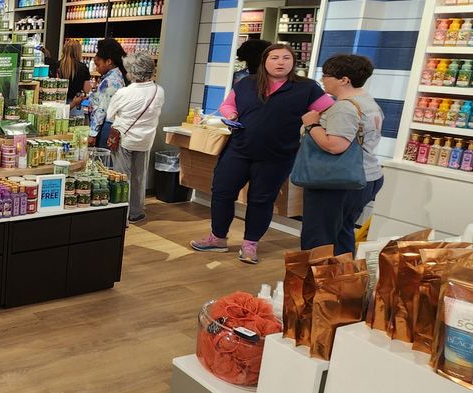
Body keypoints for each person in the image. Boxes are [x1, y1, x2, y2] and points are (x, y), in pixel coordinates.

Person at [191, 43, 334, 264]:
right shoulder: (247, 83)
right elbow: (227, 105)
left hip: (277, 155)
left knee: (261, 200)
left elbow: (328, 110)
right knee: (221, 192)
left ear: (293, 62)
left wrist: (312, 126)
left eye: (286, 58)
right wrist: (232, 115)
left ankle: (250, 245)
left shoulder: (307, 87)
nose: (280, 62)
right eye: (274, 58)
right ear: (265, 61)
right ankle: (217, 238)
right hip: (239, 149)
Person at [299, 55, 383, 256]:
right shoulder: (368, 102)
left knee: (319, 239)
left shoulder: (344, 108)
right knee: (342, 233)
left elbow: (335, 146)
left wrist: (312, 124)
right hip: (366, 176)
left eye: (326, 75)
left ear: (344, 80)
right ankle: (342, 275)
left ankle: (318, 276)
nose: (322, 80)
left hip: (337, 182)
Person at [106, 53, 166, 224]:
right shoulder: (159, 91)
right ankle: (136, 212)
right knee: (139, 176)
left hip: (124, 138)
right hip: (145, 140)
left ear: (132, 71)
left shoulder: (124, 92)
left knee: (121, 177)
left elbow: (110, 115)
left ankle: (121, 214)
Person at [88, 38, 128, 145]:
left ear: (109, 61)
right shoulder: (117, 76)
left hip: (105, 127)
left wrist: (93, 133)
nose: (96, 69)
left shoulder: (110, 81)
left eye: (98, 65)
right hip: (109, 125)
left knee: (102, 154)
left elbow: (102, 109)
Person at [59, 39, 92, 113]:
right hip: (75, 104)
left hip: (58, 104)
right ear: (78, 52)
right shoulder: (83, 67)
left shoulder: (57, 65)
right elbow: (86, 89)